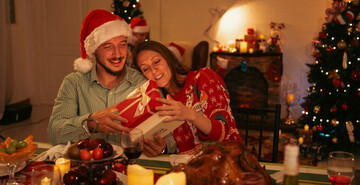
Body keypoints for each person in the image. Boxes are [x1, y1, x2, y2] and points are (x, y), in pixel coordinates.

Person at [47, 9, 150, 147]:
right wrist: (90, 122)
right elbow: (54, 133)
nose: (118, 54)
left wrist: (161, 146)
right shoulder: (74, 83)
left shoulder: (141, 82)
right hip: (88, 165)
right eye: (108, 46)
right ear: (94, 51)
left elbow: (165, 135)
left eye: (122, 44)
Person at [133, 40, 242, 155]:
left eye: (156, 61)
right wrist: (162, 148)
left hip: (228, 160)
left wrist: (190, 114)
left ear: (168, 58)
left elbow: (222, 133)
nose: (154, 70)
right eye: (146, 69)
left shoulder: (203, 77)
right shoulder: (158, 103)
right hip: (189, 169)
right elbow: (175, 148)